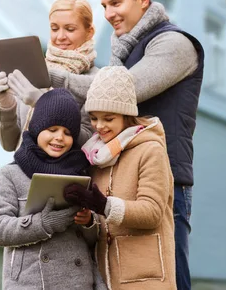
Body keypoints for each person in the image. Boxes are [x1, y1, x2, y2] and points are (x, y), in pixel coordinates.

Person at [49, 0, 203, 289]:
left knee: (165, 277)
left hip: (163, 181)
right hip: (118, 184)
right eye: (104, 6)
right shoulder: (124, 52)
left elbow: (121, 90)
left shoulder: (174, 44)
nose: (108, 14)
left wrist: (53, 78)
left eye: (115, 3)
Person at [64, 66, 176, 289]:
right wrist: (89, 219)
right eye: (94, 118)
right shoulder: (98, 156)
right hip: (108, 277)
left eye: (108, 118)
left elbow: (152, 212)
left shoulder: (150, 150)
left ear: (126, 115)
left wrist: (104, 205)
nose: (99, 126)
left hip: (147, 278)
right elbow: (103, 223)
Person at [0, 89, 106, 289]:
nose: (60, 137)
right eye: (52, 129)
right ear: (37, 128)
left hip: (79, 282)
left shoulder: (82, 173)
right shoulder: (11, 174)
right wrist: (43, 223)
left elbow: (93, 240)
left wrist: (88, 223)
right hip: (30, 283)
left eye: (68, 133)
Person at [0, 0, 99, 151]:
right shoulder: (32, 72)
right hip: (23, 172)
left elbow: (88, 141)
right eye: (54, 28)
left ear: (89, 32)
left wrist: (43, 105)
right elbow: (10, 144)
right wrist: (5, 104)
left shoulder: (96, 80)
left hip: (66, 174)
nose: (60, 36)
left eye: (70, 29)